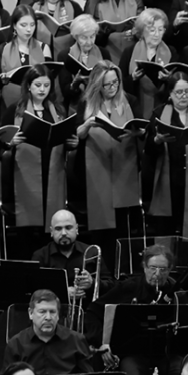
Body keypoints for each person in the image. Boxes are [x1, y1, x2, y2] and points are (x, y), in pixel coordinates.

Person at [0, 64, 72, 236]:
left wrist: (72, 142)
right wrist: (10, 141)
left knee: (51, 220)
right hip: (25, 174)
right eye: (38, 85)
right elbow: (0, 139)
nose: (42, 90)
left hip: (53, 170)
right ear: (28, 86)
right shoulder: (15, 110)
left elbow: (65, 138)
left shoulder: (58, 110)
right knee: (30, 229)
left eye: (46, 86)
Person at [75, 61, 142, 243]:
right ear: (98, 85)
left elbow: (141, 129)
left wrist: (138, 132)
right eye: (107, 84)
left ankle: (122, 266)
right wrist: (87, 124)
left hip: (125, 166)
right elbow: (78, 135)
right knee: (102, 223)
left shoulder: (131, 100)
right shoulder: (86, 103)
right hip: (96, 166)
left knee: (122, 221)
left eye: (115, 82)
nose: (113, 87)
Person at [145, 70, 188, 242]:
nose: (183, 96)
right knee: (166, 228)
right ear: (170, 94)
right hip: (168, 180)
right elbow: (148, 150)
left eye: (187, 91)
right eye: (178, 92)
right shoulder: (159, 114)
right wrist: (157, 140)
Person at [2, 289, 93, 375]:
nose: (48, 317)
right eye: (42, 312)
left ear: (58, 315)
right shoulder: (16, 344)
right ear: (30, 313)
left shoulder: (76, 340)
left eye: (52, 312)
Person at [0, 4, 52, 113]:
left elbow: (49, 81)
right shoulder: (3, 49)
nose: (29, 29)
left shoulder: (44, 48)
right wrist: (2, 80)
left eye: (32, 25)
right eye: (23, 25)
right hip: (9, 105)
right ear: (14, 25)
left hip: (38, 106)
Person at [120, 7, 172, 119]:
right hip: (134, 108)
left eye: (160, 29)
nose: (157, 34)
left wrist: (168, 80)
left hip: (163, 109)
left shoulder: (172, 52)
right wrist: (132, 78)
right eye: (152, 30)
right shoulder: (129, 52)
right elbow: (119, 83)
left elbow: (177, 84)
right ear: (142, 32)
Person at [87, 0, 141, 64]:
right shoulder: (96, 2)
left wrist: (137, 31)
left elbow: (143, 26)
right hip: (107, 51)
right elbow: (90, 33)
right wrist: (105, 33)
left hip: (132, 49)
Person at [56, 13, 103, 112]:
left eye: (92, 36)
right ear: (76, 37)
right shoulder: (65, 56)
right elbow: (65, 91)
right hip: (76, 104)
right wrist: (75, 84)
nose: (89, 42)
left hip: (101, 103)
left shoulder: (103, 53)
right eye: (84, 38)